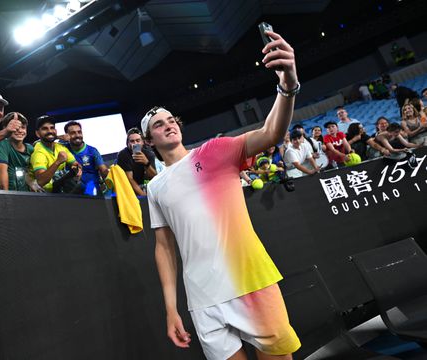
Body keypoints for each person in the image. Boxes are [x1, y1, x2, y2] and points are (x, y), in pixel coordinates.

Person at [145, 29, 300, 360]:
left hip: (250, 280)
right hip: (202, 299)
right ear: (148, 141)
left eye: (171, 119)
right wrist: (171, 309)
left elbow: (272, 133)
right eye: (159, 124)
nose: (168, 124)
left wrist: (288, 85)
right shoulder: (155, 187)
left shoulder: (215, 151)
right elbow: (163, 248)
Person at [30, 115, 80, 193]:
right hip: (45, 196)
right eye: (44, 128)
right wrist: (57, 162)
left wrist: (76, 171)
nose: (50, 131)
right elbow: (41, 181)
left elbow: (76, 164)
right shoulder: (37, 152)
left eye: (52, 127)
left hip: (61, 192)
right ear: (37, 133)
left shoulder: (60, 147)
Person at [0, 112, 37, 191]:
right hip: (11, 194)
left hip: (27, 195)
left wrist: (34, 185)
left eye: (23, 127)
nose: (20, 131)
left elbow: (29, 173)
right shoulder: (4, 144)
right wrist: (6, 197)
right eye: (16, 128)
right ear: (6, 128)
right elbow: (2, 173)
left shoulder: (30, 148)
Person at [64, 121, 108, 196]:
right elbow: (40, 142)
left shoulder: (92, 151)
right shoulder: (63, 149)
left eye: (79, 132)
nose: (77, 135)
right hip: (72, 193)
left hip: (92, 191)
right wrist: (58, 137)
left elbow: (103, 171)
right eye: (73, 133)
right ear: (67, 135)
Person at [116, 127, 157, 196]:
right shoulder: (123, 155)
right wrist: (144, 196)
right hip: (129, 189)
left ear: (142, 142)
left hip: (146, 184)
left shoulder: (149, 154)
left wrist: (146, 163)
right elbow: (129, 179)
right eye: (132, 141)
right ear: (127, 143)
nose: (135, 144)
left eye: (138, 140)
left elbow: (154, 177)